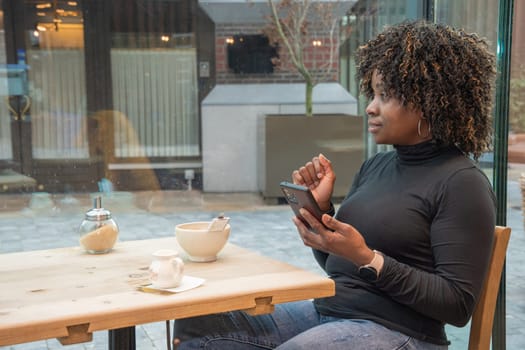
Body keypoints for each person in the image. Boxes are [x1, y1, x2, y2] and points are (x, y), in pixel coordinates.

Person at [172, 20, 497, 349]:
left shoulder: (462, 183)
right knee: (199, 326)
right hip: (331, 312)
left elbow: (457, 305)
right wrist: (321, 216)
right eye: (373, 93)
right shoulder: (375, 166)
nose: (370, 107)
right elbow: (338, 265)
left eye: (386, 95)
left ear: (430, 100)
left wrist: (368, 258)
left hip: (403, 333)